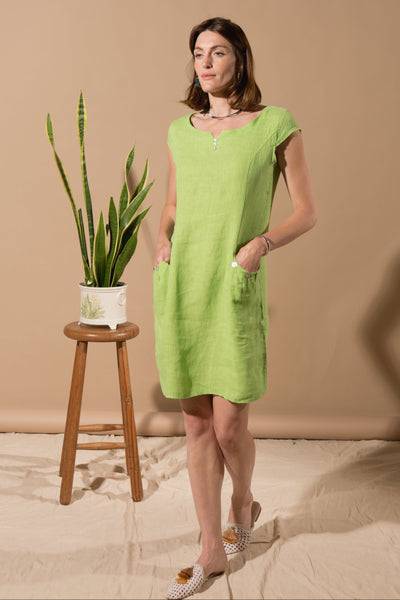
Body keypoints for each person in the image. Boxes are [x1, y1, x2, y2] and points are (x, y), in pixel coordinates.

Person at [153, 16, 318, 600]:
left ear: (240, 59)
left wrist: (260, 246)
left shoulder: (275, 125)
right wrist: (161, 241)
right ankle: (210, 548)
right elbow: (171, 206)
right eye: (198, 52)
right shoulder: (181, 131)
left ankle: (242, 502)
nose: (205, 62)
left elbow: (307, 211)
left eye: (218, 52)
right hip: (183, 286)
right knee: (196, 424)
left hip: (232, 284)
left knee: (229, 426)